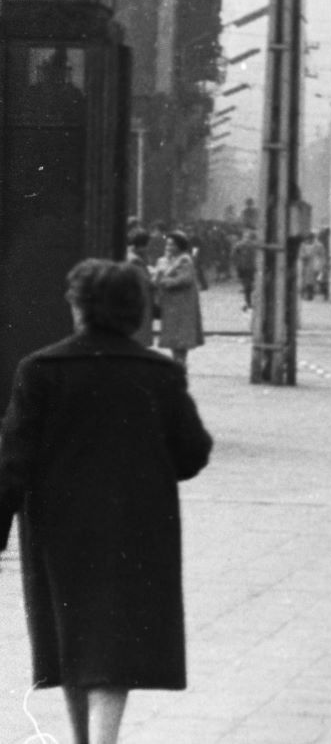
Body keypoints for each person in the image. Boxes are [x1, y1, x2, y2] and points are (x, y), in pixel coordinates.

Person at [0, 259, 213, 744]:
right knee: (113, 647)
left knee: (71, 640)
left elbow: (11, 465)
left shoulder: (40, 369)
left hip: (59, 530)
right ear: (135, 311)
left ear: (78, 308)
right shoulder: (157, 372)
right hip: (136, 527)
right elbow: (193, 452)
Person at [150, 233, 205, 367]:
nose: (168, 247)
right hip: (171, 305)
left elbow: (185, 279)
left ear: (180, 246)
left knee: (180, 338)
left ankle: (180, 364)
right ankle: (178, 362)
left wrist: (164, 281)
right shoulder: (168, 260)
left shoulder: (184, 260)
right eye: (167, 244)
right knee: (175, 338)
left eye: (172, 244)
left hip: (182, 306)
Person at [124, 229, 156, 348]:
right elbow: (145, 281)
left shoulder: (130, 256)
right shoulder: (135, 260)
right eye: (147, 245)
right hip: (141, 301)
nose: (148, 249)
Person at [230, 229, 258, 311]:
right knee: (249, 284)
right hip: (251, 267)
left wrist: (237, 263)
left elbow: (233, 255)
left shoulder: (238, 245)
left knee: (246, 284)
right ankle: (249, 301)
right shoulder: (255, 245)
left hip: (243, 267)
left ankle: (248, 301)